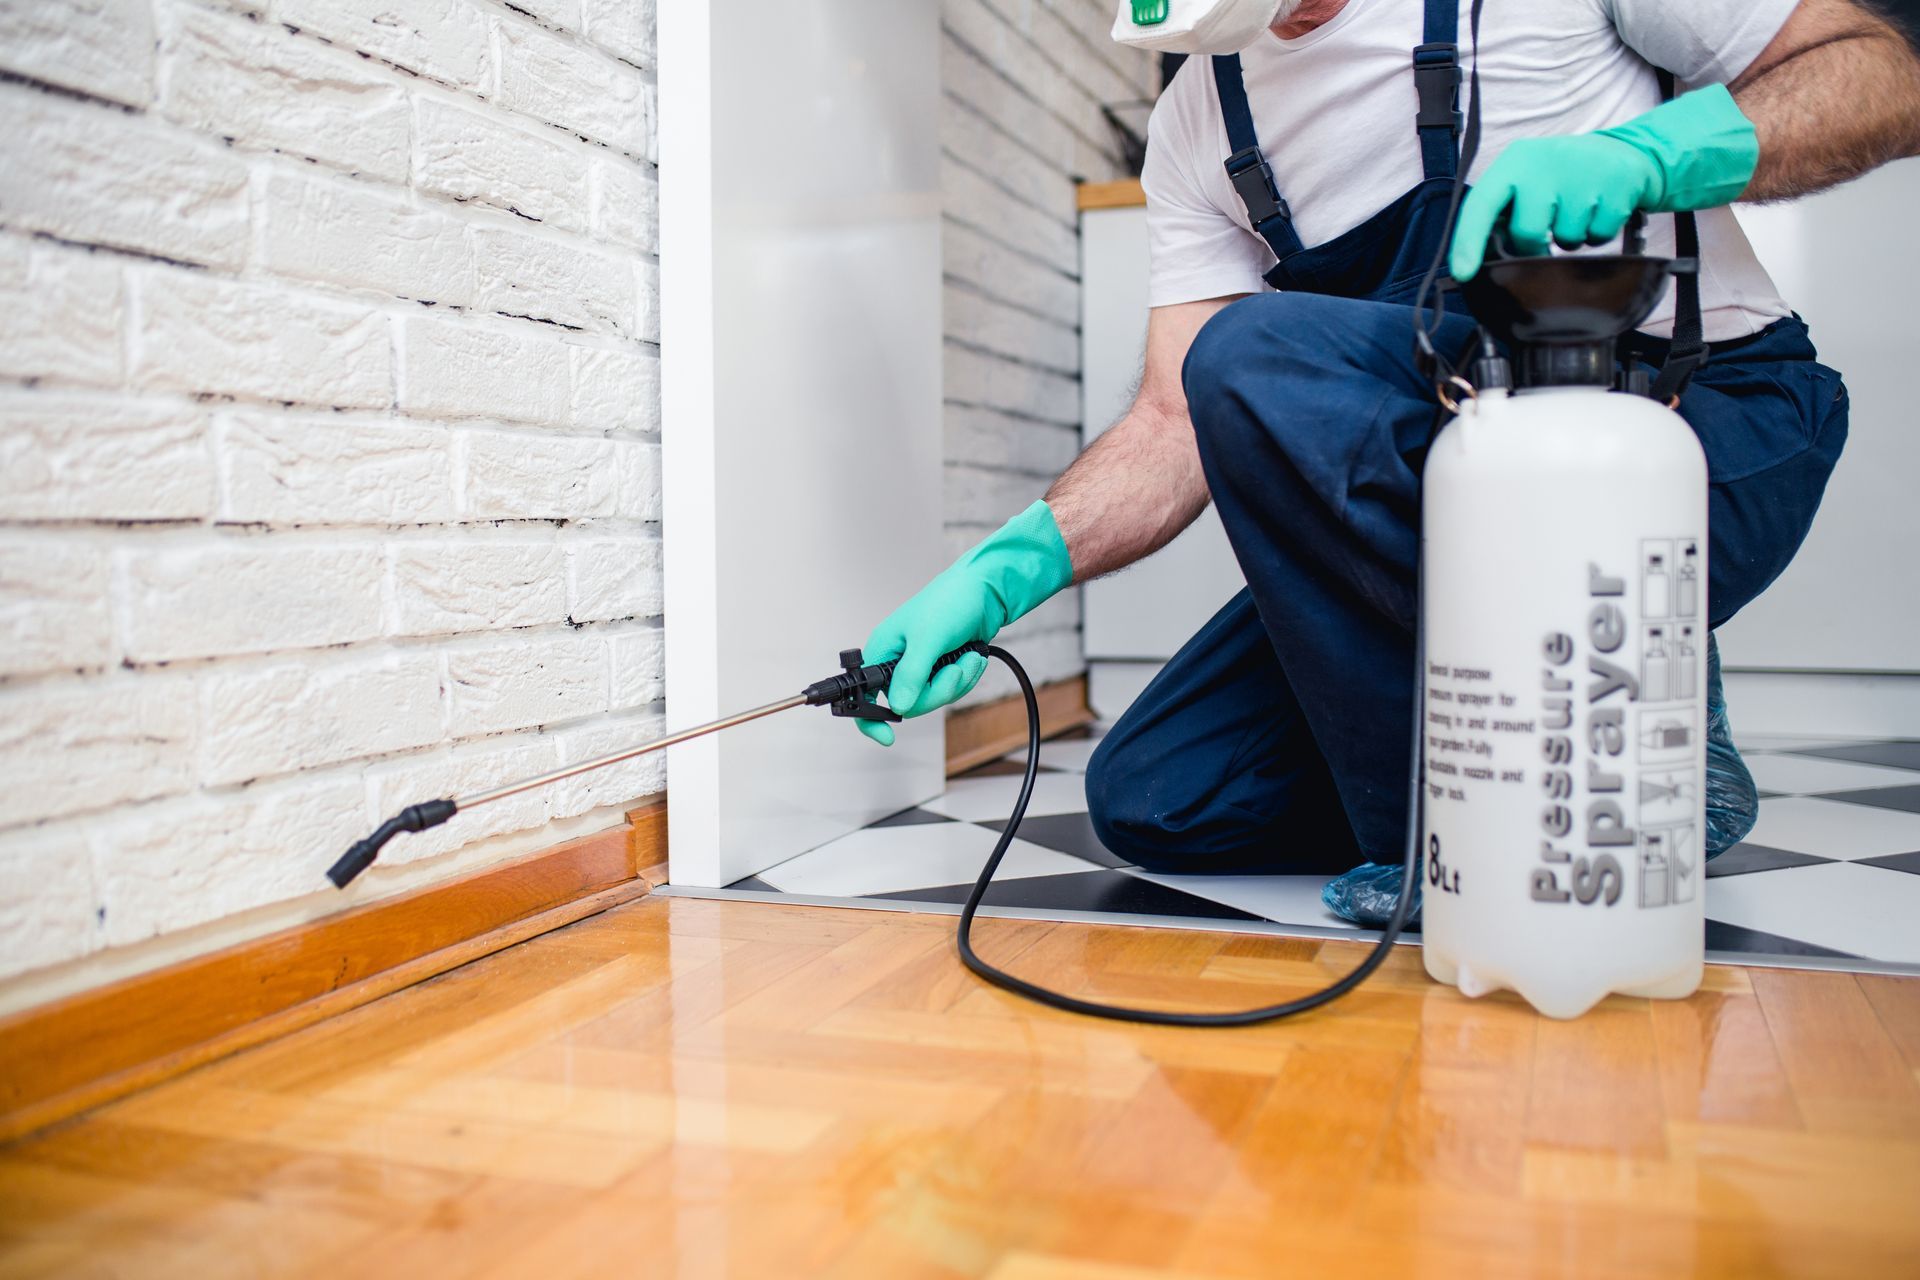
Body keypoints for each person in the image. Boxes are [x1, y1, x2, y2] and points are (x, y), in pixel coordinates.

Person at [856, 0, 1920, 923]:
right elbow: (1174, 422)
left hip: (1696, 437)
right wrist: (1003, 575)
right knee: (1160, 792)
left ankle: (1470, 836)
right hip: (1459, 481)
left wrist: (1653, 153)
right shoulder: (1198, 123)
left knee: (1255, 351)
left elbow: (1881, 73)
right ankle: (1609, 748)